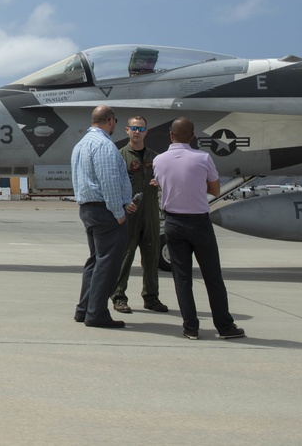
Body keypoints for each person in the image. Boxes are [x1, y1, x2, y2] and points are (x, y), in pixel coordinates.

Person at [153, 117, 246, 340]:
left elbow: (161, 183)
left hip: (173, 223)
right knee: (212, 276)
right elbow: (215, 190)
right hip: (198, 223)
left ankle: (190, 327)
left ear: (170, 134)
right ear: (192, 136)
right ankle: (224, 326)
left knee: (182, 278)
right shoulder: (203, 158)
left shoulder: (159, 160)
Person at [71, 105, 136, 328]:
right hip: (105, 211)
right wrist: (118, 212)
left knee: (95, 261)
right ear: (110, 121)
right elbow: (108, 182)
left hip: (88, 209)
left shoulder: (80, 145)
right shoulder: (104, 146)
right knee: (108, 264)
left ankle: (84, 309)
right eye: (115, 122)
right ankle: (97, 313)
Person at [111, 116, 168, 314]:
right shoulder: (119, 156)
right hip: (130, 212)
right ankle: (118, 297)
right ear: (126, 130)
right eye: (133, 128)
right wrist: (122, 205)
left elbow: (168, 180)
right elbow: (114, 185)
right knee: (125, 255)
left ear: (146, 131)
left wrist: (160, 183)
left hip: (150, 211)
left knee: (151, 255)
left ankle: (151, 297)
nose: (137, 131)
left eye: (140, 128)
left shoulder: (157, 158)